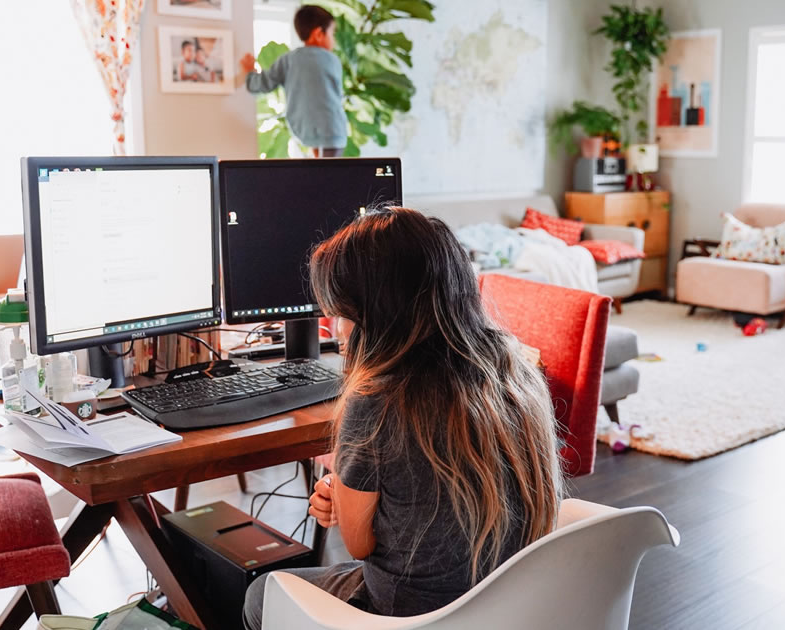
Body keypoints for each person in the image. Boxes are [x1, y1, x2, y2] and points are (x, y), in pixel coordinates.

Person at [241, 208, 565, 629]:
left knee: (260, 595)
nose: (336, 329)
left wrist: (346, 499)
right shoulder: (515, 371)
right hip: (511, 607)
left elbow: (359, 545)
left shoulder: (376, 401)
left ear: (376, 315)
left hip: (411, 617)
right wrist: (351, 493)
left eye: (342, 313)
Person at [239, 5, 347, 157]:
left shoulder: (288, 60)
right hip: (333, 131)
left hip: (304, 129)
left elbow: (262, 84)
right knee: (329, 168)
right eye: (332, 34)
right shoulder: (332, 60)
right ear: (318, 34)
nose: (333, 40)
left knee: (320, 165)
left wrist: (250, 72)